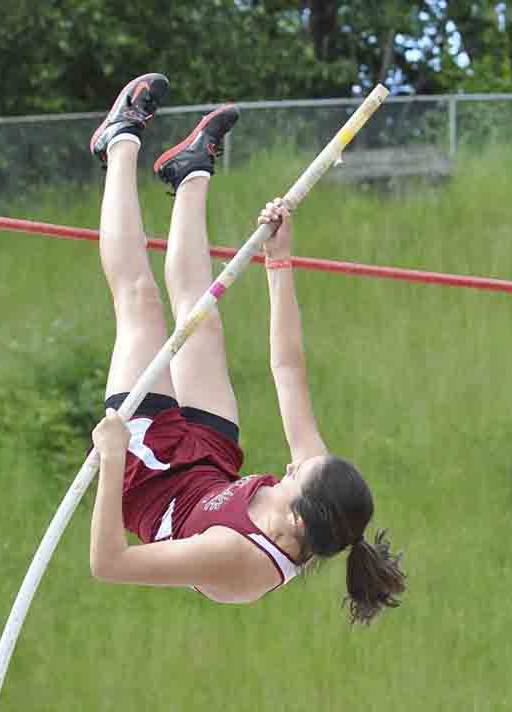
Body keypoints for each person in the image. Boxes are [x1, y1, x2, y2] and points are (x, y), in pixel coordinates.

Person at [89, 73, 405, 624]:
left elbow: (110, 563)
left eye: (291, 477)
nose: (289, 465)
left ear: (299, 524)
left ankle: (118, 141)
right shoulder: (316, 488)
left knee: (139, 303)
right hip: (208, 466)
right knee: (202, 322)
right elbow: (287, 368)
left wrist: (113, 453)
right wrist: (279, 263)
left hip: (149, 479)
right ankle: (189, 174)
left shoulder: (240, 560)